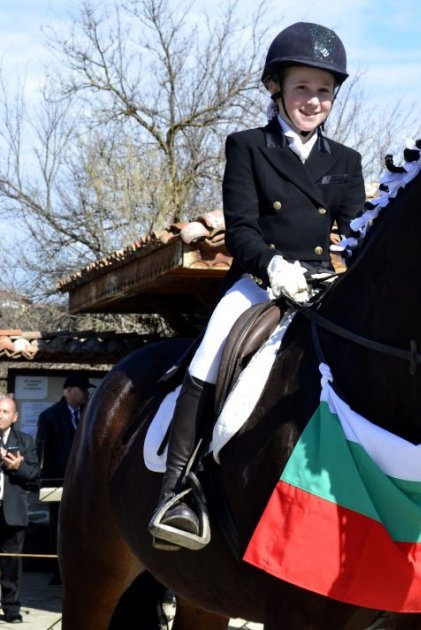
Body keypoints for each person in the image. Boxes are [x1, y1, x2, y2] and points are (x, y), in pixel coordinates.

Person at [148, 21, 365, 551]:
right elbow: (242, 229)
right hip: (259, 282)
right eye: (302, 88)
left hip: (317, 285)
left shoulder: (345, 162)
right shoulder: (248, 147)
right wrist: (273, 269)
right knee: (208, 354)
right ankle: (178, 490)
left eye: (323, 91)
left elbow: (358, 232)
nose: (313, 101)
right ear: (277, 88)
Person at [36, 373, 94, 585]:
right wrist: (43, 480)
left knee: (85, 525)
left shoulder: (90, 414)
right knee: (59, 526)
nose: (87, 394)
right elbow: (42, 451)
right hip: (58, 481)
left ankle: (83, 568)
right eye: (83, 390)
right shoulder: (50, 416)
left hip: (86, 482)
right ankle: (59, 569)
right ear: (69, 391)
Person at [0, 396, 40, 623]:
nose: (0, 415)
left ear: (14, 417)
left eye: (5, 412)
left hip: (12, 512)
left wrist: (16, 465)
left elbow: (34, 475)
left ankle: (11, 609)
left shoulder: (25, 441)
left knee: (11, 564)